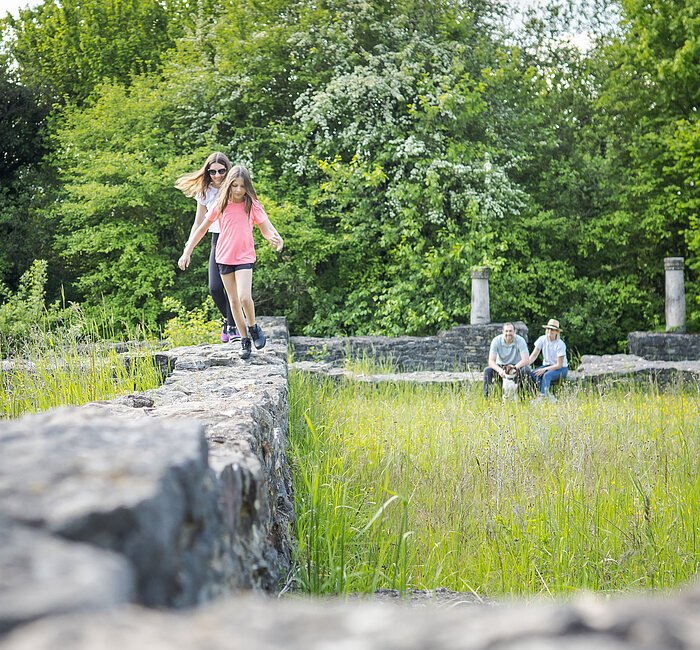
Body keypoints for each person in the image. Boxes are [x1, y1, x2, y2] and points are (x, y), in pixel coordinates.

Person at [178, 164, 284, 360]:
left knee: (244, 297)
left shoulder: (252, 204)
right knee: (233, 301)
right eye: (234, 185)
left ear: (247, 187)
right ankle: (244, 340)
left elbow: (266, 227)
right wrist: (187, 251)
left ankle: (253, 328)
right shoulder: (221, 203)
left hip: (244, 257)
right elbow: (202, 228)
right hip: (224, 257)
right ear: (229, 185)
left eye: (242, 186)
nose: (238, 190)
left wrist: (275, 238)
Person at [175, 152, 239, 343]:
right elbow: (198, 223)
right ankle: (229, 321)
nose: (217, 175)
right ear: (207, 172)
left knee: (233, 289)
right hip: (217, 239)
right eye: (212, 172)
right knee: (215, 288)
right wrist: (187, 250)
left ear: (227, 170)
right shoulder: (205, 191)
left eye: (221, 171)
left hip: (235, 240)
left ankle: (234, 327)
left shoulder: (235, 187)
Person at [483, 322, 530, 398]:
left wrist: (513, 368)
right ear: (502, 331)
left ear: (514, 331)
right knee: (487, 371)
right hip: (501, 366)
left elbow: (526, 360)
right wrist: (500, 370)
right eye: (506, 331)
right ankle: (487, 398)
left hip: (516, 366)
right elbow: (491, 361)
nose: (508, 333)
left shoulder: (520, 340)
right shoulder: (496, 341)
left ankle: (524, 396)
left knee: (526, 370)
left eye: (511, 331)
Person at [528, 318, 568, 402]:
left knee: (547, 375)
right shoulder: (542, 339)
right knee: (533, 374)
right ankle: (544, 394)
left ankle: (543, 397)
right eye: (548, 329)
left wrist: (544, 369)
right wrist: (526, 364)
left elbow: (559, 365)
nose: (549, 331)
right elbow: (534, 355)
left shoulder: (560, 344)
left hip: (561, 369)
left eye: (552, 329)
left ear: (557, 332)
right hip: (547, 366)